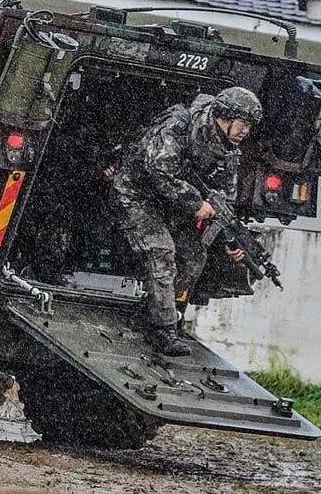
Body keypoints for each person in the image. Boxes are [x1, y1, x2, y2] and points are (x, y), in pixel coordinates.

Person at [109, 87, 262, 356]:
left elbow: (223, 199)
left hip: (172, 206)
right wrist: (196, 204)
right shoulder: (179, 125)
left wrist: (228, 241)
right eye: (243, 124)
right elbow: (159, 171)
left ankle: (151, 311)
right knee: (161, 250)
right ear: (224, 117)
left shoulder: (229, 150)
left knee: (194, 258)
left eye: (249, 126)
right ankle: (163, 329)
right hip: (136, 195)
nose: (245, 131)